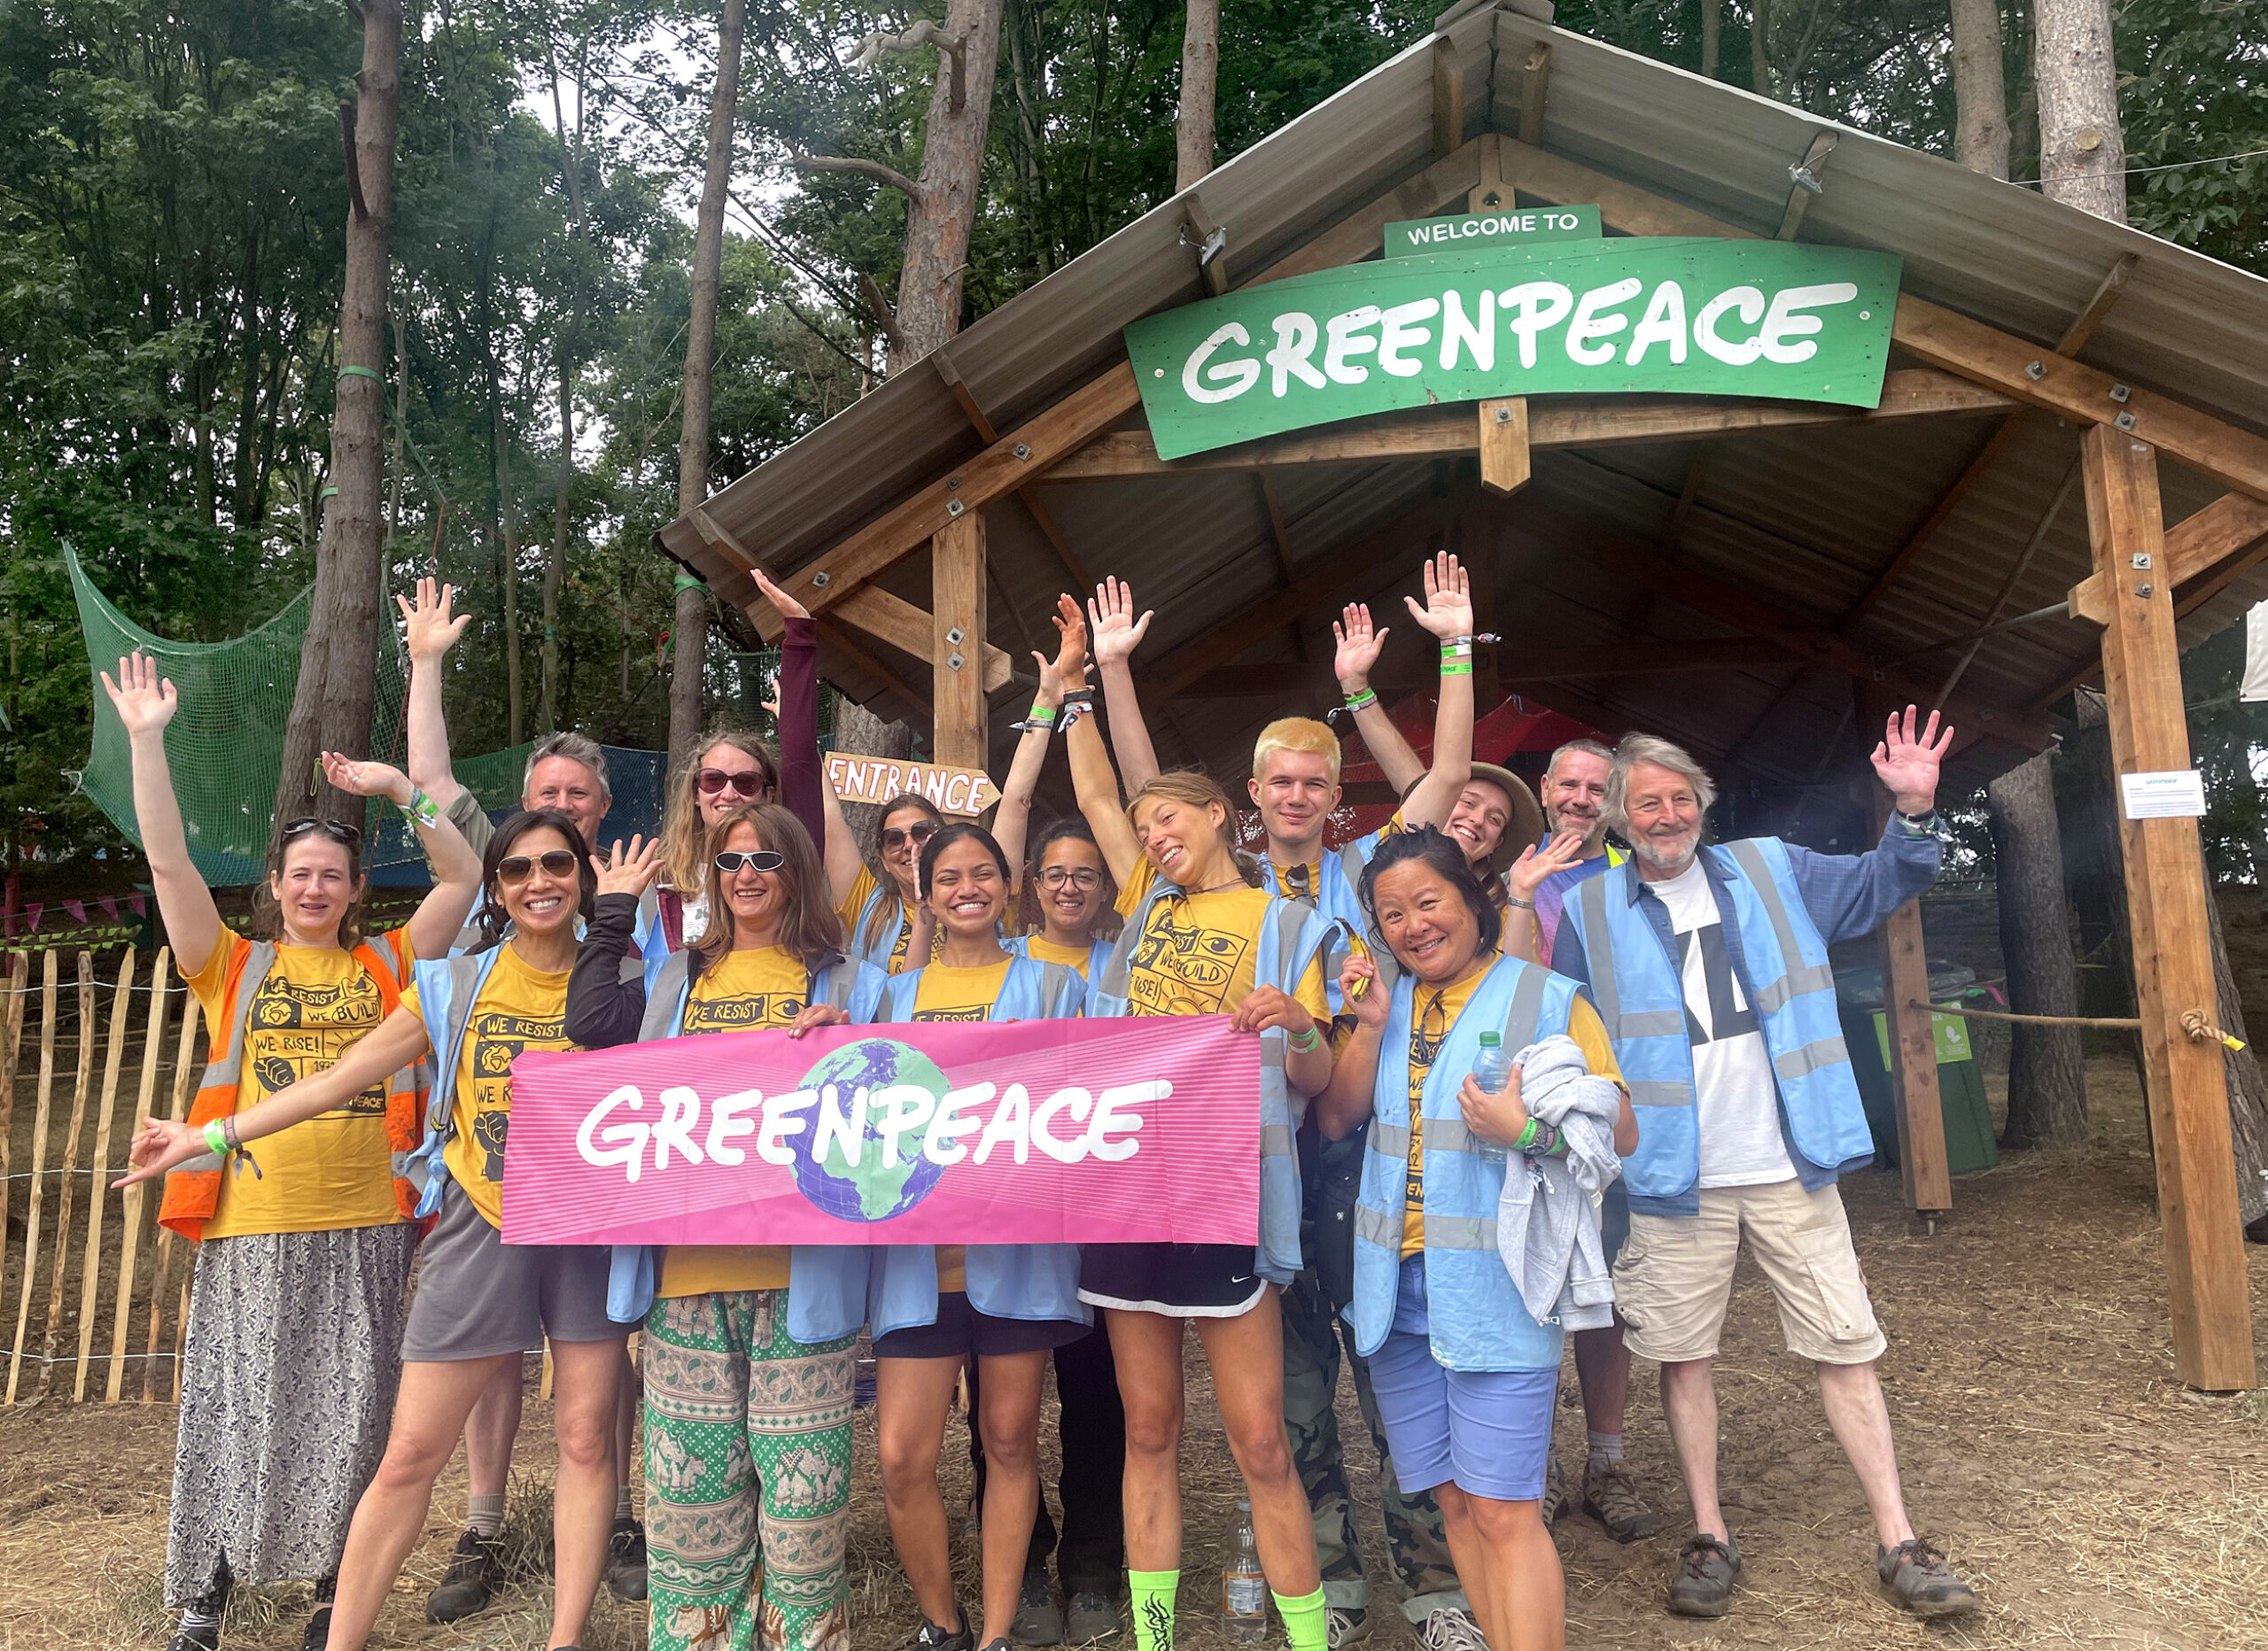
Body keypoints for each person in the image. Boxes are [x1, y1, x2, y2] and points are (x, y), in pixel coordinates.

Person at [121, 810, 630, 1651]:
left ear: (584, 876)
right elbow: (339, 1077)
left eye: (556, 864)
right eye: (516, 870)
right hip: (481, 1222)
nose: (538, 882)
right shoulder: (455, 984)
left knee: (584, 1436)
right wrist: (210, 1136)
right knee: (409, 1453)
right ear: (498, 890)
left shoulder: (628, 977)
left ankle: (564, 1639)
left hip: (586, 1229)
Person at [1550, 716, 1982, 1622]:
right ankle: (1709, 1535)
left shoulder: (1772, 867)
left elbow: (1880, 884)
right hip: (1670, 1175)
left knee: (1845, 1345)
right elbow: (1570, 1033)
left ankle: (1899, 1539)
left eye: (1680, 799)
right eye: (1646, 804)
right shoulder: (1585, 911)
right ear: (1619, 820)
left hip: (1790, 1159)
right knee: (1684, 1358)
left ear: (1701, 805)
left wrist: (1911, 810)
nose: (1667, 816)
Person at [101, 654, 482, 1651]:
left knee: (355, 1412)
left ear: (356, 892)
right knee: (238, 1408)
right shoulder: (232, 965)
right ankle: (205, 1596)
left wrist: (400, 791)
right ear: (275, 886)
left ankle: (331, 1592)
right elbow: (170, 867)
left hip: (367, 1223)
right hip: (252, 1222)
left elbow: (464, 874)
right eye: (299, 873)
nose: (315, 887)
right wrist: (147, 743)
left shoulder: (392, 961)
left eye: (333, 876)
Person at [565, 802, 887, 1651]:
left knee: (804, 1509)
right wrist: (612, 911)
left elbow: (897, 1107)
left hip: (802, 1283)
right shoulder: (675, 976)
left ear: (798, 872)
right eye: (732, 861)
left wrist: (855, 1039)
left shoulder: (851, 982)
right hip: (687, 1279)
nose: (747, 875)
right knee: (691, 1508)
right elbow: (588, 1024)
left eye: (767, 860)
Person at [1315, 827, 1636, 1651]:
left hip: (1500, 1292)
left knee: (1503, 1510)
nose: (1413, 926)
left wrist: (1527, 1130)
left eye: (1429, 902)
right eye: (1392, 914)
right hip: (1395, 1295)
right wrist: (1367, 1026)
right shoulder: (1386, 1003)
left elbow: (1621, 1133)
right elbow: (1338, 1118)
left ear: (1473, 900)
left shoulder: (1548, 999)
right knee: (1453, 1502)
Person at [399, 576, 647, 1614]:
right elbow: (429, 781)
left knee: (603, 1367)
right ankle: (484, 1521)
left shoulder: (636, 893)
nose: (559, 808)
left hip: (597, 1184)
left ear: (600, 814)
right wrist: (425, 662)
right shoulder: (500, 870)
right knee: (488, 1359)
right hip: (490, 1171)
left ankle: (618, 1513)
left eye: (576, 798)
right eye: (544, 792)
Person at [1066, 695, 1335, 1651]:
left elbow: (1316, 1079)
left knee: (1259, 1439)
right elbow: (1094, 793)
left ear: (1220, 812)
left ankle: (1307, 1639)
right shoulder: (1148, 905)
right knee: (1149, 1428)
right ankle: (1154, 1639)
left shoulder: (1288, 922)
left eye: (1167, 819)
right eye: (1143, 831)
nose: (1152, 838)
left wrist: (1298, 1024)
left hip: (1228, 1194)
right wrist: (1075, 690)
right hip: (1132, 1189)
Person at [866, 823, 1091, 1651]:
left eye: (984, 873)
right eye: (949, 877)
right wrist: (816, 1038)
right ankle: (943, 1623)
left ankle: (996, 1633)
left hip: (1016, 1262)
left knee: (1008, 1442)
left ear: (1009, 884)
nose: (968, 888)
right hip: (916, 1269)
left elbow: (1103, 1088)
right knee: (902, 1457)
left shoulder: (1058, 986)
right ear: (924, 893)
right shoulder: (887, 997)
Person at [1464, 736, 1656, 1541]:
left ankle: (1606, 1463)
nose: (1580, 799)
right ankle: (1534, 1466)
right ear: (1544, 789)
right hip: (1523, 1102)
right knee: (1531, 1283)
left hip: (1609, 1095)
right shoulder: (1501, 875)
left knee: (1604, 1295)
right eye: (1569, 785)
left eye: (1596, 788)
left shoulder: (1635, 877)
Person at [825, 787, 945, 973]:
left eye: (922, 832)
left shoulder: (978, 898)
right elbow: (830, 819)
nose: (909, 845)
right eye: (894, 839)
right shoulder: (869, 909)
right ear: (884, 860)